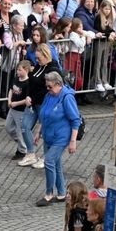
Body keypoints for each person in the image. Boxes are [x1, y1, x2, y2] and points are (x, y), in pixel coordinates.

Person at [33, 72, 81, 207]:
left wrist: (73, 141)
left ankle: (49, 194)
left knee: (48, 161)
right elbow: (44, 115)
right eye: (47, 86)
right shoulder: (49, 95)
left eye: (50, 86)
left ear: (59, 84)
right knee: (57, 164)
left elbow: (75, 120)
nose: (48, 89)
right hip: (49, 136)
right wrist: (38, 132)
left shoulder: (67, 98)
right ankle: (61, 193)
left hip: (61, 137)